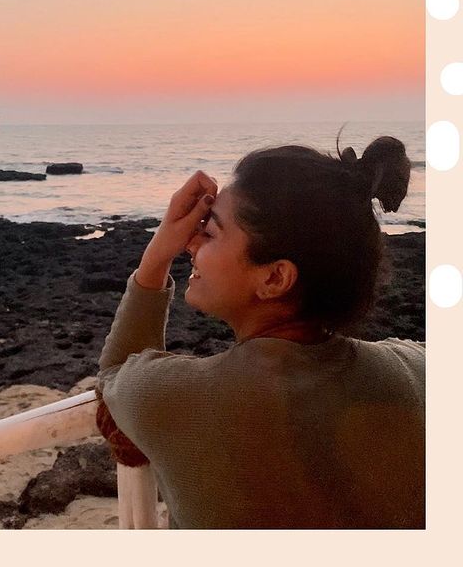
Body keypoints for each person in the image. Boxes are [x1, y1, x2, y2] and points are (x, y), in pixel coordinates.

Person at [95, 134, 425, 529]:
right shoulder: (415, 372)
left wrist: (155, 256)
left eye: (210, 232)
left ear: (274, 278)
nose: (190, 243)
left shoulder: (180, 397)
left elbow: (115, 371)